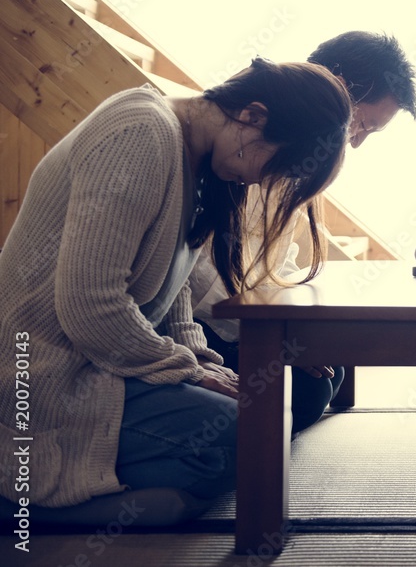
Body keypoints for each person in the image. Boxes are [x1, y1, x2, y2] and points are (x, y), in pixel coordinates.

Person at [0, 58, 353, 512]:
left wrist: (203, 361)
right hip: (45, 376)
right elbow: (89, 304)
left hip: (104, 364)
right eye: (274, 166)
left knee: (267, 417)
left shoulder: (198, 161)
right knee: (248, 431)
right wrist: (187, 370)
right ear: (252, 116)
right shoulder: (140, 132)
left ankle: (110, 492)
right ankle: (25, 495)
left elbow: (174, 292)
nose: (261, 181)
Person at [188, 31, 416, 433]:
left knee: (331, 373)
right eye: (361, 125)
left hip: (237, 304)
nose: (358, 143)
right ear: (339, 88)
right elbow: (197, 267)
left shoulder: (302, 151)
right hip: (202, 316)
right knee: (305, 393)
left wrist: (296, 328)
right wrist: (268, 334)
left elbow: (276, 252)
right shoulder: (256, 138)